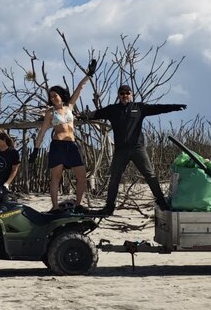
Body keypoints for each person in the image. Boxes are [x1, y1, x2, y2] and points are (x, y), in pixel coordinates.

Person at [82, 84, 186, 216]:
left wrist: (176, 107)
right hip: (121, 151)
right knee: (114, 179)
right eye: (122, 93)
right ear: (119, 96)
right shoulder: (112, 109)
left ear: (132, 95)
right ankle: (109, 207)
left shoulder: (139, 108)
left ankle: (162, 204)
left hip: (138, 149)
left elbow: (158, 108)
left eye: (127, 93)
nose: (125, 95)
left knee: (150, 176)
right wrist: (82, 116)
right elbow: (95, 114)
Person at [33, 70, 93, 212]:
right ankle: (55, 207)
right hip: (58, 145)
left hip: (71, 145)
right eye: (51, 96)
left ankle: (78, 204)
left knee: (81, 176)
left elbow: (80, 88)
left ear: (61, 95)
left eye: (55, 95)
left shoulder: (69, 107)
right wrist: (35, 150)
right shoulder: (50, 113)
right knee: (56, 177)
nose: (53, 98)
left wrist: (89, 74)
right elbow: (42, 131)